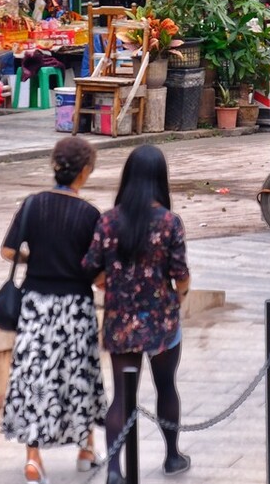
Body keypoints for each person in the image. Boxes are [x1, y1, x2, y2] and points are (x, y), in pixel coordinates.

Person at [0, 136, 106, 483]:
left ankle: (33, 459)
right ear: (85, 172)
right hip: (75, 306)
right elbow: (96, 269)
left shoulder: (32, 205)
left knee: (35, 377)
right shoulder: (89, 214)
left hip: (36, 305)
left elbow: (7, 251)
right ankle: (86, 449)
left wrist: (38, 258)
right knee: (79, 374)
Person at [83, 144, 192, 484]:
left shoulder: (109, 220)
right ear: (161, 179)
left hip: (121, 321)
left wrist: (110, 284)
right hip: (161, 321)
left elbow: (89, 268)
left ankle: (115, 469)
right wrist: (179, 296)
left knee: (122, 395)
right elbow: (180, 273)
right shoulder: (170, 222)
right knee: (165, 387)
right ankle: (172, 456)